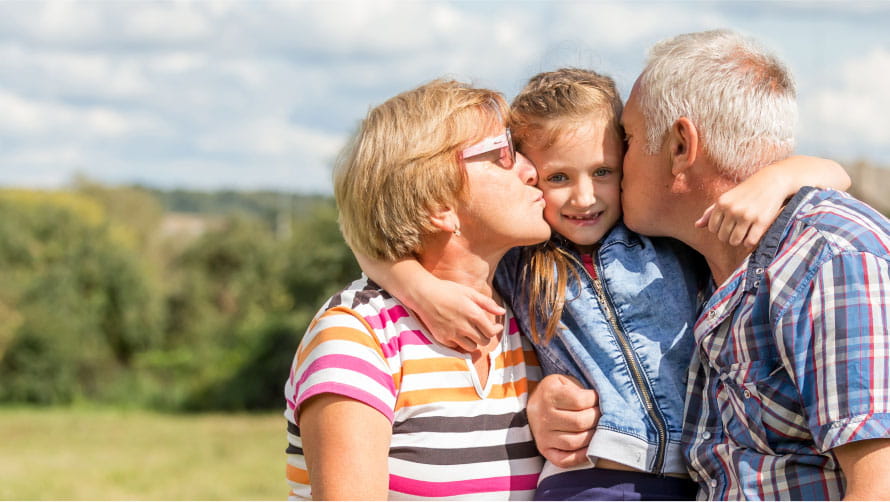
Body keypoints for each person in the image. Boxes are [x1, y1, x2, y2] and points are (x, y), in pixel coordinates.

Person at [356, 68, 850, 500]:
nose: (584, 196)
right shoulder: (524, 257)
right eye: (558, 178)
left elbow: (836, 174)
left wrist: (778, 179)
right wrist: (419, 287)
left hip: (696, 480)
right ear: (529, 176)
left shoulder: (661, 236)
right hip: (587, 481)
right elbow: (365, 238)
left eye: (603, 171)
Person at [532, 29, 890, 500]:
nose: (614, 171)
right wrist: (541, 404)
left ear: (681, 146)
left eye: (630, 139)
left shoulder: (829, 258)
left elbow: (878, 483)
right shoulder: (699, 262)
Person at [282, 79, 551, 500]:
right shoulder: (356, 337)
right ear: (436, 205)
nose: (531, 169)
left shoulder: (532, 313)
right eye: (501, 155)